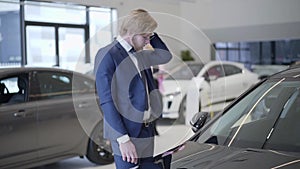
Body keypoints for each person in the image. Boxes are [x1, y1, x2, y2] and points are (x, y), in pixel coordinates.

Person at [94, 9, 172, 169]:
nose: (147, 42)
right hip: (127, 134)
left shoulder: (140, 54)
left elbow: (165, 56)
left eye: (149, 37)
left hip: (146, 130)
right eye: (145, 37)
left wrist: (151, 32)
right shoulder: (107, 55)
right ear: (131, 33)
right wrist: (122, 139)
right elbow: (106, 101)